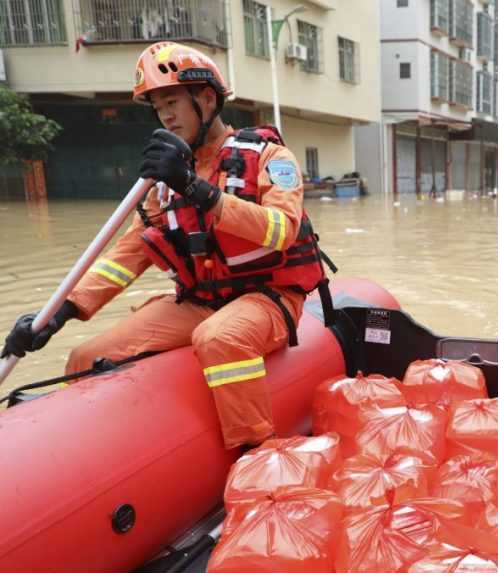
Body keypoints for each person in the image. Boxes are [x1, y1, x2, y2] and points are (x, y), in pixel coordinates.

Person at [1, 42, 332, 450]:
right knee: (87, 355)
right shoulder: (166, 181)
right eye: (158, 107)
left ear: (206, 98)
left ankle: (256, 452)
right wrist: (60, 312)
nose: (166, 115)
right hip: (200, 300)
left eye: (172, 101)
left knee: (220, 338)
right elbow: (129, 255)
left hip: (268, 297)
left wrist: (199, 191)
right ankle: (89, 452)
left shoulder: (271, 157)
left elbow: (281, 229)